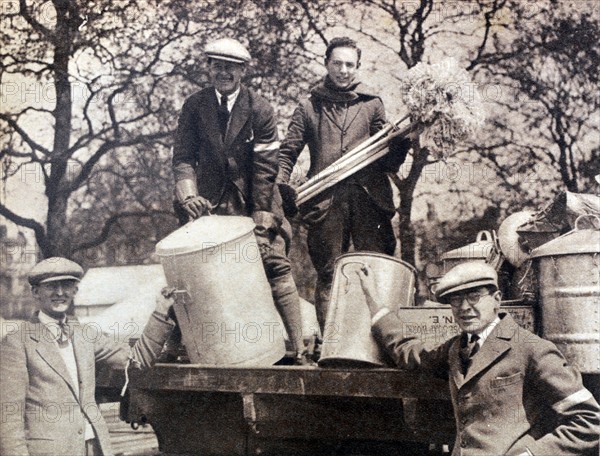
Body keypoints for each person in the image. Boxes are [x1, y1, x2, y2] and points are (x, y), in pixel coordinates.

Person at [356, 261, 600, 456]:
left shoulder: (532, 349)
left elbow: (590, 421)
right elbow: (409, 353)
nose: (464, 307)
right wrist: (373, 302)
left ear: (497, 299)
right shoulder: (456, 349)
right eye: (455, 300)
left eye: (473, 296)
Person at [171, 38, 307, 363]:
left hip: (254, 200)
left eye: (230, 67)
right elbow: (183, 157)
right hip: (210, 202)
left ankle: (300, 348)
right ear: (209, 68)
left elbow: (265, 170)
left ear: (242, 70)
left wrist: (260, 226)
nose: (224, 72)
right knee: (190, 270)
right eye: (217, 65)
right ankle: (182, 347)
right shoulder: (194, 106)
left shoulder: (259, 109)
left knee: (273, 263)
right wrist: (189, 195)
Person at [278, 36, 412, 331]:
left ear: (358, 68)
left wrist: (401, 143)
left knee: (375, 272)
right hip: (325, 202)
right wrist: (281, 186)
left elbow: (387, 161)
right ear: (326, 64)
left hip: (370, 201)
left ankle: (377, 345)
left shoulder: (372, 104)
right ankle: (329, 348)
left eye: (350, 64)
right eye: (337, 63)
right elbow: (287, 152)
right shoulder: (309, 107)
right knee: (328, 274)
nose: (343, 70)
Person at [0, 257, 175, 456]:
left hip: (94, 446)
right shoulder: (16, 343)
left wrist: (161, 312)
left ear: (75, 291)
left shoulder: (85, 335)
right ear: (35, 292)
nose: (60, 292)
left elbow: (137, 360)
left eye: (66, 285)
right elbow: (9, 416)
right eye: (51, 286)